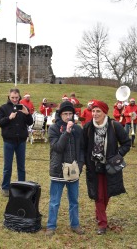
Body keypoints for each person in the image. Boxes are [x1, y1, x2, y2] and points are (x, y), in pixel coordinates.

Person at [83, 100, 131, 235]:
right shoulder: (88, 128)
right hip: (94, 167)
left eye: (98, 111)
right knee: (98, 195)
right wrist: (85, 161)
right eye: (93, 111)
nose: (95, 113)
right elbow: (83, 147)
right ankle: (102, 224)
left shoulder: (114, 126)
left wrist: (117, 156)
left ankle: (99, 215)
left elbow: (126, 143)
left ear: (105, 113)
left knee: (106, 194)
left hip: (110, 166)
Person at [45, 101, 85, 237]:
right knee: (54, 201)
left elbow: (81, 149)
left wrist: (80, 165)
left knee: (74, 201)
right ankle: (51, 226)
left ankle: (75, 225)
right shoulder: (53, 129)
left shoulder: (78, 129)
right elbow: (57, 147)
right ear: (60, 114)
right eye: (65, 114)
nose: (68, 116)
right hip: (58, 170)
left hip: (73, 170)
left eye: (70, 114)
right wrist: (67, 132)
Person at [0, 88, 33, 197]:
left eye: (17, 97)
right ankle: (5, 187)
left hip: (21, 141)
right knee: (8, 167)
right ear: (9, 96)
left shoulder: (23, 107)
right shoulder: (3, 108)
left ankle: (22, 187)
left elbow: (30, 122)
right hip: (9, 141)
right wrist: (9, 118)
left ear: (19, 97)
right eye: (13, 97)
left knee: (21, 166)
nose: (15, 100)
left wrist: (27, 114)